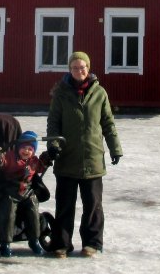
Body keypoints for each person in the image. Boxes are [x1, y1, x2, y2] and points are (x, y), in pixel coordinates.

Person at [46, 51, 122, 258]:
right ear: (69, 70)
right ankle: (61, 244)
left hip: (92, 158)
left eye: (83, 67)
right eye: (75, 68)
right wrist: (53, 145)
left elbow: (107, 123)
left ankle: (92, 243)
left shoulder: (99, 93)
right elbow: (53, 123)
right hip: (67, 157)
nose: (79, 71)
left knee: (93, 205)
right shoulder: (61, 93)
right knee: (64, 205)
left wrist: (115, 148)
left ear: (88, 69)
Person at [0, 131, 48, 257]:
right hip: (9, 190)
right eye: (24, 148)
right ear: (18, 148)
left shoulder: (33, 161)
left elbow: (41, 166)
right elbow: (1, 162)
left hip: (27, 190)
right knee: (8, 210)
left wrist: (48, 156)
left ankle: (34, 239)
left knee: (33, 206)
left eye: (30, 149)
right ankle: (5, 242)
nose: (26, 151)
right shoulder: (10, 157)